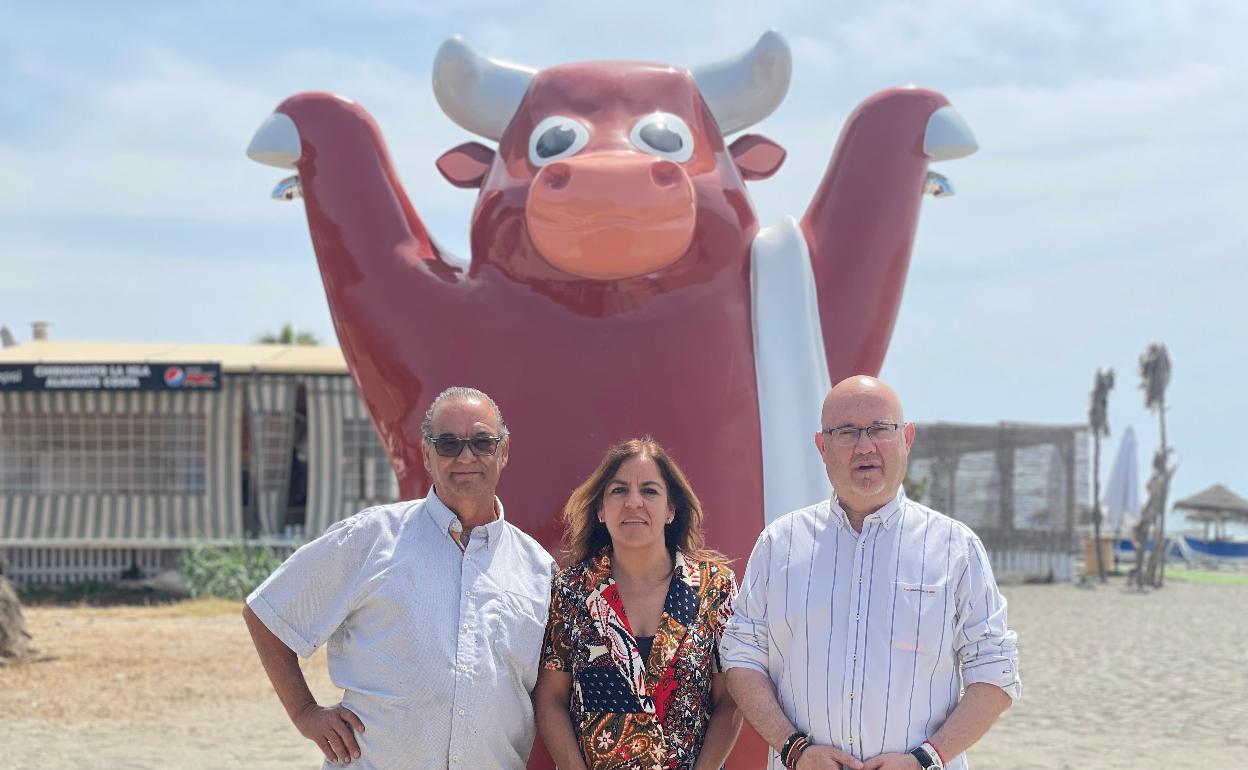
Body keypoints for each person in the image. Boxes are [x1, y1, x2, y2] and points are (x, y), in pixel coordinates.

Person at [243, 386, 555, 769]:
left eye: (482, 442)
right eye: (448, 444)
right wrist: (305, 712)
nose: (466, 456)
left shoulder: (538, 570)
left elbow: (550, 693)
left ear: (504, 451)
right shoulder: (370, 538)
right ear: (426, 454)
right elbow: (268, 614)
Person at [721, 376, 1019, 770]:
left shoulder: (956, 549)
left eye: (880, 429)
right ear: (822, 446)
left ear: (907, 438)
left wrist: (925, 759)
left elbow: (996, 672)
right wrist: (793, 749)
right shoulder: (780, 544)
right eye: (846, 432)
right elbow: (741, 657)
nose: (865, 446)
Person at [534, 438, 742, 770]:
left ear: (671, 509)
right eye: (618, 491)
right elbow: (550, 698)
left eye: (649, 491)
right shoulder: (572, 590)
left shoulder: (714, 587)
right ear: (601, 510)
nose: (633, 502)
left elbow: (730, 701)